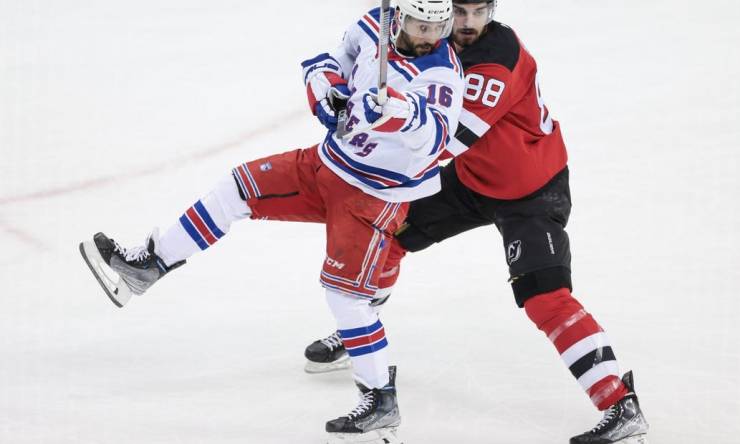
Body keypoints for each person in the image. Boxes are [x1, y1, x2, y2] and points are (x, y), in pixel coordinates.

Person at [78, 1, 464, 442]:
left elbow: (434, 138)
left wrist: (402, 113)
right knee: (237, 189)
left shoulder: (442, 73)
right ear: (398, 17)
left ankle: (380, 399)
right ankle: (151, 265)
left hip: (374, 197)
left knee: (345, 296)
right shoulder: (374, 24)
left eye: (438, 26)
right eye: (419, 24)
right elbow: (331, 62)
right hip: (326, 166)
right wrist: (329, 90)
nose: (428, 35)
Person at [302, 1, 650, 443]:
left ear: (493, 11)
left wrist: (364, 155)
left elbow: (442, 141)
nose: (467, 24)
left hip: (531, 191)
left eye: (478, 12)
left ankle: (621, 403)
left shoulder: (497, 59)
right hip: (472, 180)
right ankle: (358, 328)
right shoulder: (432, 36)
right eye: (459, 12)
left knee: (546, 299)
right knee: (386, 236)